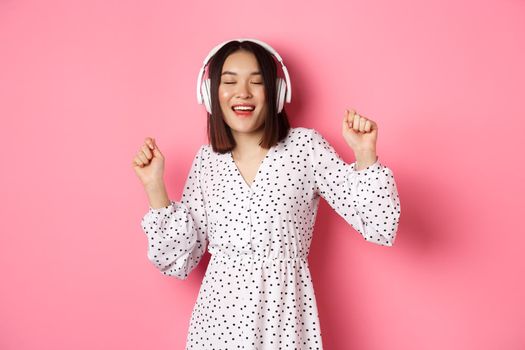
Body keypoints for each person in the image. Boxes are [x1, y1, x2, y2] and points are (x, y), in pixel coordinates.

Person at [132, 38, 401, 350]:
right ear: (210, 94)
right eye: (229, 81)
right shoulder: (207, 162)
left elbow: (380, 224)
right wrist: (155, 187)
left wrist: (365, 155)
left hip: (284, 322)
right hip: (216, 327)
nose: (242, 92)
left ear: (276, 93)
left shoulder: (305, 148)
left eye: (256, 82)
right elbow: (179, 261)